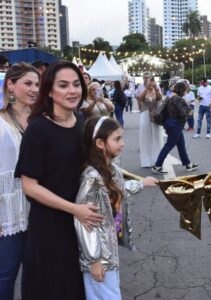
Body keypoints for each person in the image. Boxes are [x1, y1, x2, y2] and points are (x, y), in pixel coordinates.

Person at [15, 61, 104, 299]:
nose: (72, 91)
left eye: (76, 84)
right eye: (63, 85)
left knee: (77, 288)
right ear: (50, 91)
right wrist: (74, 209)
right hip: (50, 228)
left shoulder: (82, 124)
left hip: (80, 226)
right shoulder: (38, 129)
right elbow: (29, 185)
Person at [74, 116, 157, 300]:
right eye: (117, 139)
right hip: (99, 256)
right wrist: (93, 260)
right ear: (100, 143)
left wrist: (141, 184)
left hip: (109, 251)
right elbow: (84, 221)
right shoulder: (92, 177)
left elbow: (118, 190)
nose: (123, 143)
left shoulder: (110, 167)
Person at [0, 63, 39, 300]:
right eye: (28, 83)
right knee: (5, 275)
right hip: (8, 214)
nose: (34, 89)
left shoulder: (41, 121)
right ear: (11, 86)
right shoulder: (1, 123)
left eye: (37, 84)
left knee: (37, 276)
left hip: (39, 211)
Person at [152, 82, 198, 174]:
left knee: (181, 145)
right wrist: (190, 111)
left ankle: (188, 164)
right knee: (168, 145)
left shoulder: (169, 96)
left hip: (169, 123)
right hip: (175, 125)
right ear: (181, 90)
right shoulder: (178, 99)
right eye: (185, 90)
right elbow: (185, 112)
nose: (185, 92)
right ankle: (157, 166)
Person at [137, 80, 164, 168]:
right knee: (145, 137)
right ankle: (146, 161)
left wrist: (156, 88)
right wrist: (146, 89)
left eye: (152, 83)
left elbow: (160, 98)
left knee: (156, 137)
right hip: (145, 115)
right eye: (148, 83)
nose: (150, 85)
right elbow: (140, 99)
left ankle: (157, 160)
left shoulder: (157, 91)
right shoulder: (144, 91)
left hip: (155, 116)